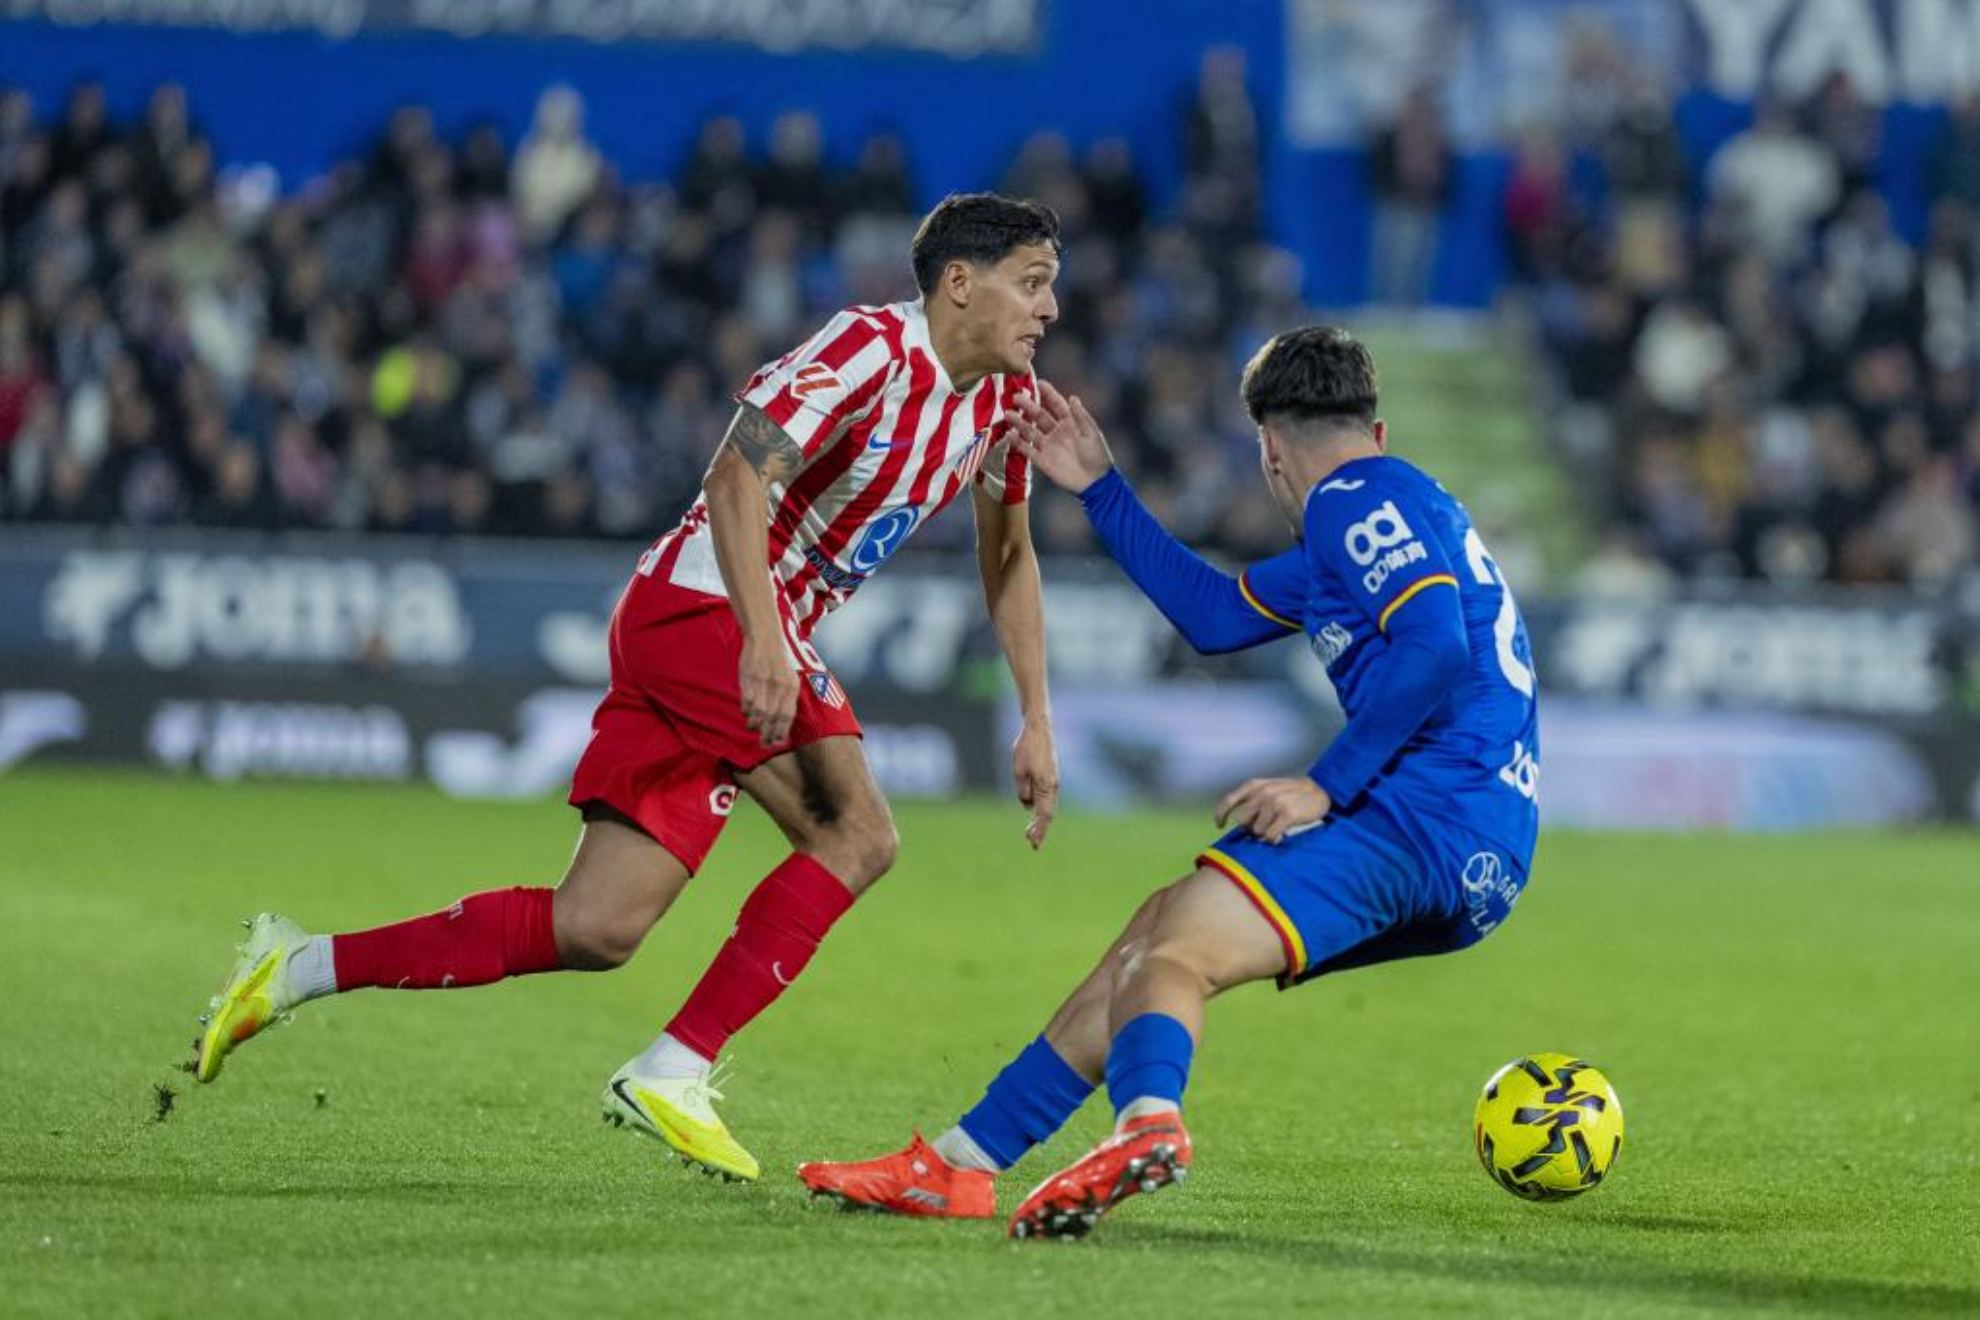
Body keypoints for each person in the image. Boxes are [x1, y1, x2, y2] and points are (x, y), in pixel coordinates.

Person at [190, 193, 1066, 1184]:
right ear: (961, 282)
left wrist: (1036, 715)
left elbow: (1009, 559)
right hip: (705, 613)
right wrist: (767, 642)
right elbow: (736, 479)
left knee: (595, 926)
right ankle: (675, 1069)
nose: (1049, 311)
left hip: (719, 632)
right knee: (858, 835)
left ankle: (293, 966)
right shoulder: (869, 349)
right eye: (1032, 284)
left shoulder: (999, 406)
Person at [797, 327, 1540, 1239]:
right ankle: (961, 1163)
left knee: (1173, 954)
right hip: (1476, 844)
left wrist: (1324, 785)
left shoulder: (1355, 495)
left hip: (1422, 817)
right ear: (1374, 427)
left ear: (1267, 447)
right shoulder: (1375, 520)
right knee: (1154, 930)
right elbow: (1217, 617)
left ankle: (1148, 1125)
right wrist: (1103, 490)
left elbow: (1435, 643)